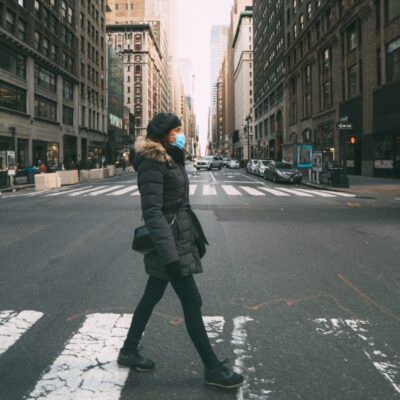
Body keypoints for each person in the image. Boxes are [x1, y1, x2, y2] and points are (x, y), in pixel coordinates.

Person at [118, 112, 244, 389]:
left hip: (176, 238)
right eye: (175, 131)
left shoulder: (168, 157)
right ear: (163, 133)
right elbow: (153, 212)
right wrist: (171, 255)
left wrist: (193, 237)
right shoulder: (153, 162)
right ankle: (212, 367)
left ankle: (128, 350)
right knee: (192, 302)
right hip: (169, 244)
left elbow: (177, 202)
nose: (179, 134)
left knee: (151, 296)